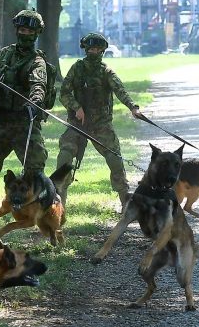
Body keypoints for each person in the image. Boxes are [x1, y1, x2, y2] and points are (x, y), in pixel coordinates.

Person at [0, 9, 50, 214]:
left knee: (36, 175)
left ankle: (43, 217)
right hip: (0, 124)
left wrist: (34, 103)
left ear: (37, 34)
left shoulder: (37, 62)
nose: (25, 34)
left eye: (30, 31)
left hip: (24, 125)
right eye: (22, 29)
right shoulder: (5, 54)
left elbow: (38, 86)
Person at [55, 32, 143, 207]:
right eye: (91, 48)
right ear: (86, 49)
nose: (93, 52)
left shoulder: (106, 71)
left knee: (115, 160)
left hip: (101, 125)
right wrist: (76, 107)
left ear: (102, 51)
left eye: (97, 49)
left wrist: (133, 107)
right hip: (77, 124)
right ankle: (58, 203)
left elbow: (120, 90)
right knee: (64, 156)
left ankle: (125, 200)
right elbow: (64, 93)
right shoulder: (76, 68)